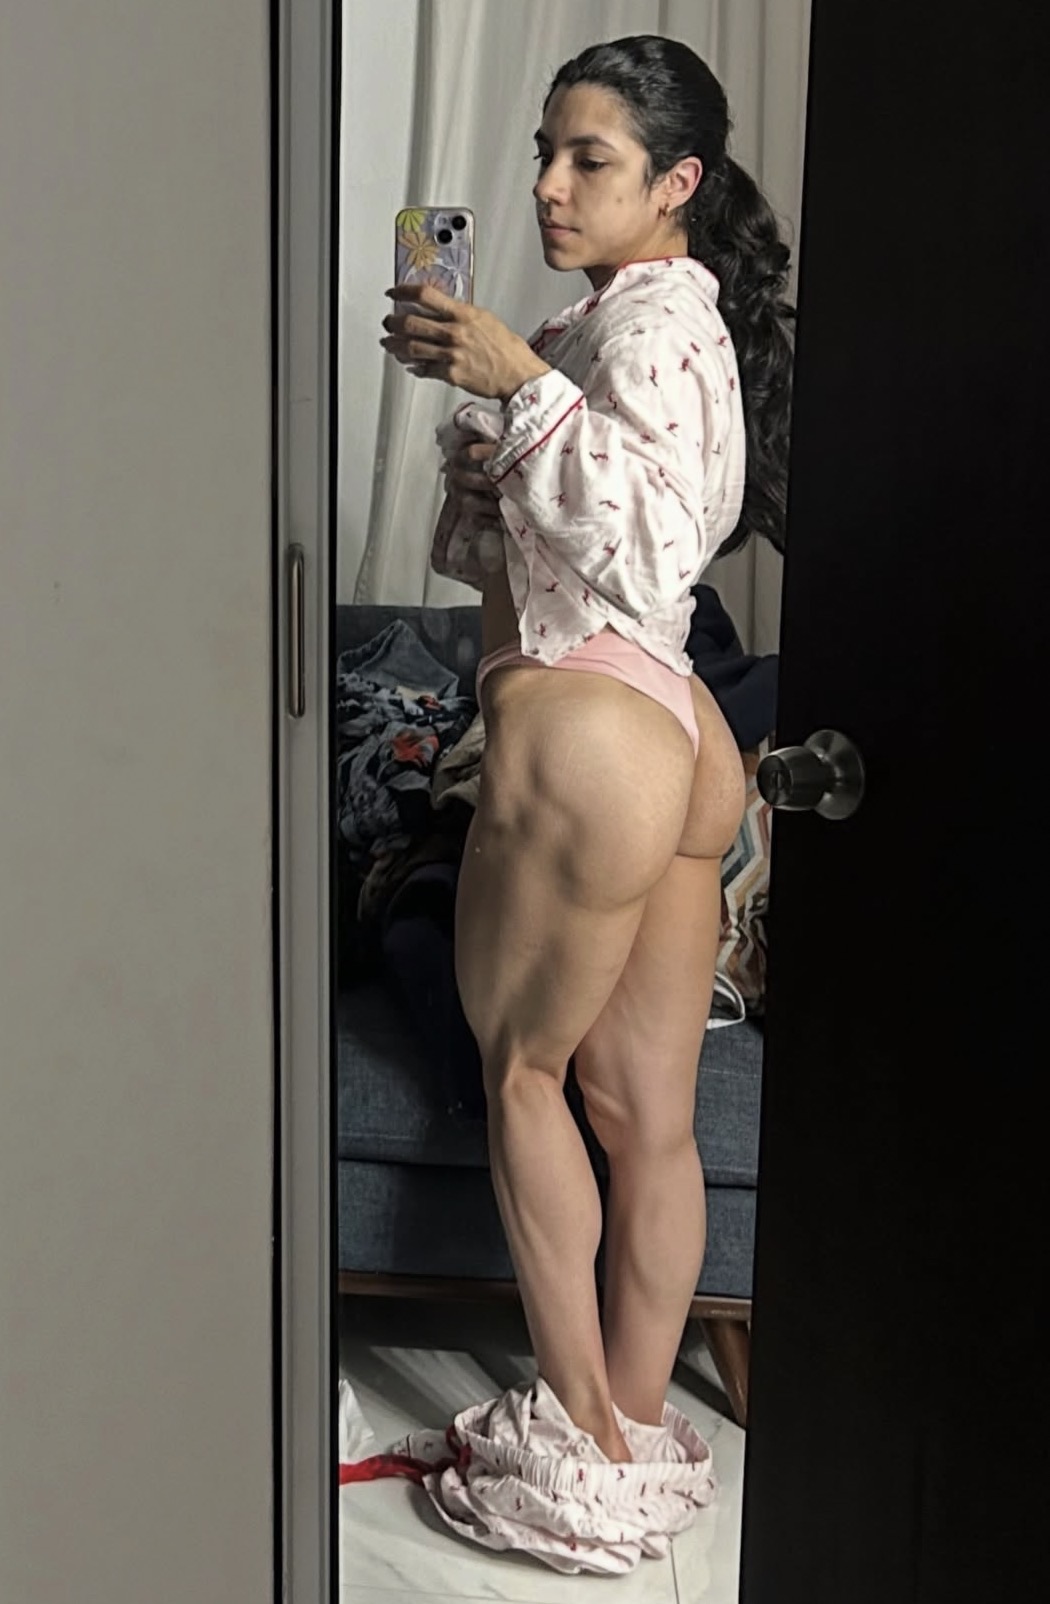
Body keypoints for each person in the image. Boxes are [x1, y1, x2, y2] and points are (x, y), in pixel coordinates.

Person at [381, 35, 794, 1468]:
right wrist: (493, 414)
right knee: (646, 1118)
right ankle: (632, 1413)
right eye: (544, 154)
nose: (549, 185)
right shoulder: (616, 320)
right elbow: (534, 547)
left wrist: (519, 381)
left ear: (676, 181)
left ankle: (587, 1454)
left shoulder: (654, 326)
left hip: (592, 722)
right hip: (669, 727)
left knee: (524, 1077)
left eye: (589, 159)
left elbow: (659, 548)